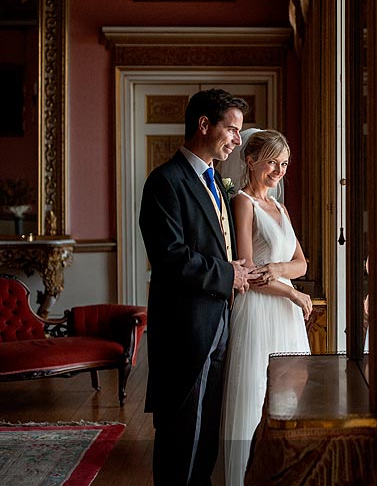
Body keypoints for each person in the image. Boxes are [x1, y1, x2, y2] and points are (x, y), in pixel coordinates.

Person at [139, 88, 259, 486]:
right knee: (181, 436)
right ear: (204, 125)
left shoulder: (216, 183)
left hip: (219, 320)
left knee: (207, 432)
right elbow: (170, 256)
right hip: (184, 330)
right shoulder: (165, 182)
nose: (237, 140)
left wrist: (235, 268)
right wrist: (229, 276)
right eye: (232, 129)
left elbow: (212, 245)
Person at [220, 129, 313, 486]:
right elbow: (246, 270)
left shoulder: (281, 207)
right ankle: (245, 476)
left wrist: (278, 271)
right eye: (272, 161)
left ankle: (284, 473)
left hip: (287, 313)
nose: (279, 170)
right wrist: (292, 292)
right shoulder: (243, 202)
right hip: (259, 309)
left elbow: (302, 264)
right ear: (250, 160)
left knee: (290, 393)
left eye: (284, 163)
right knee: (256, 391)